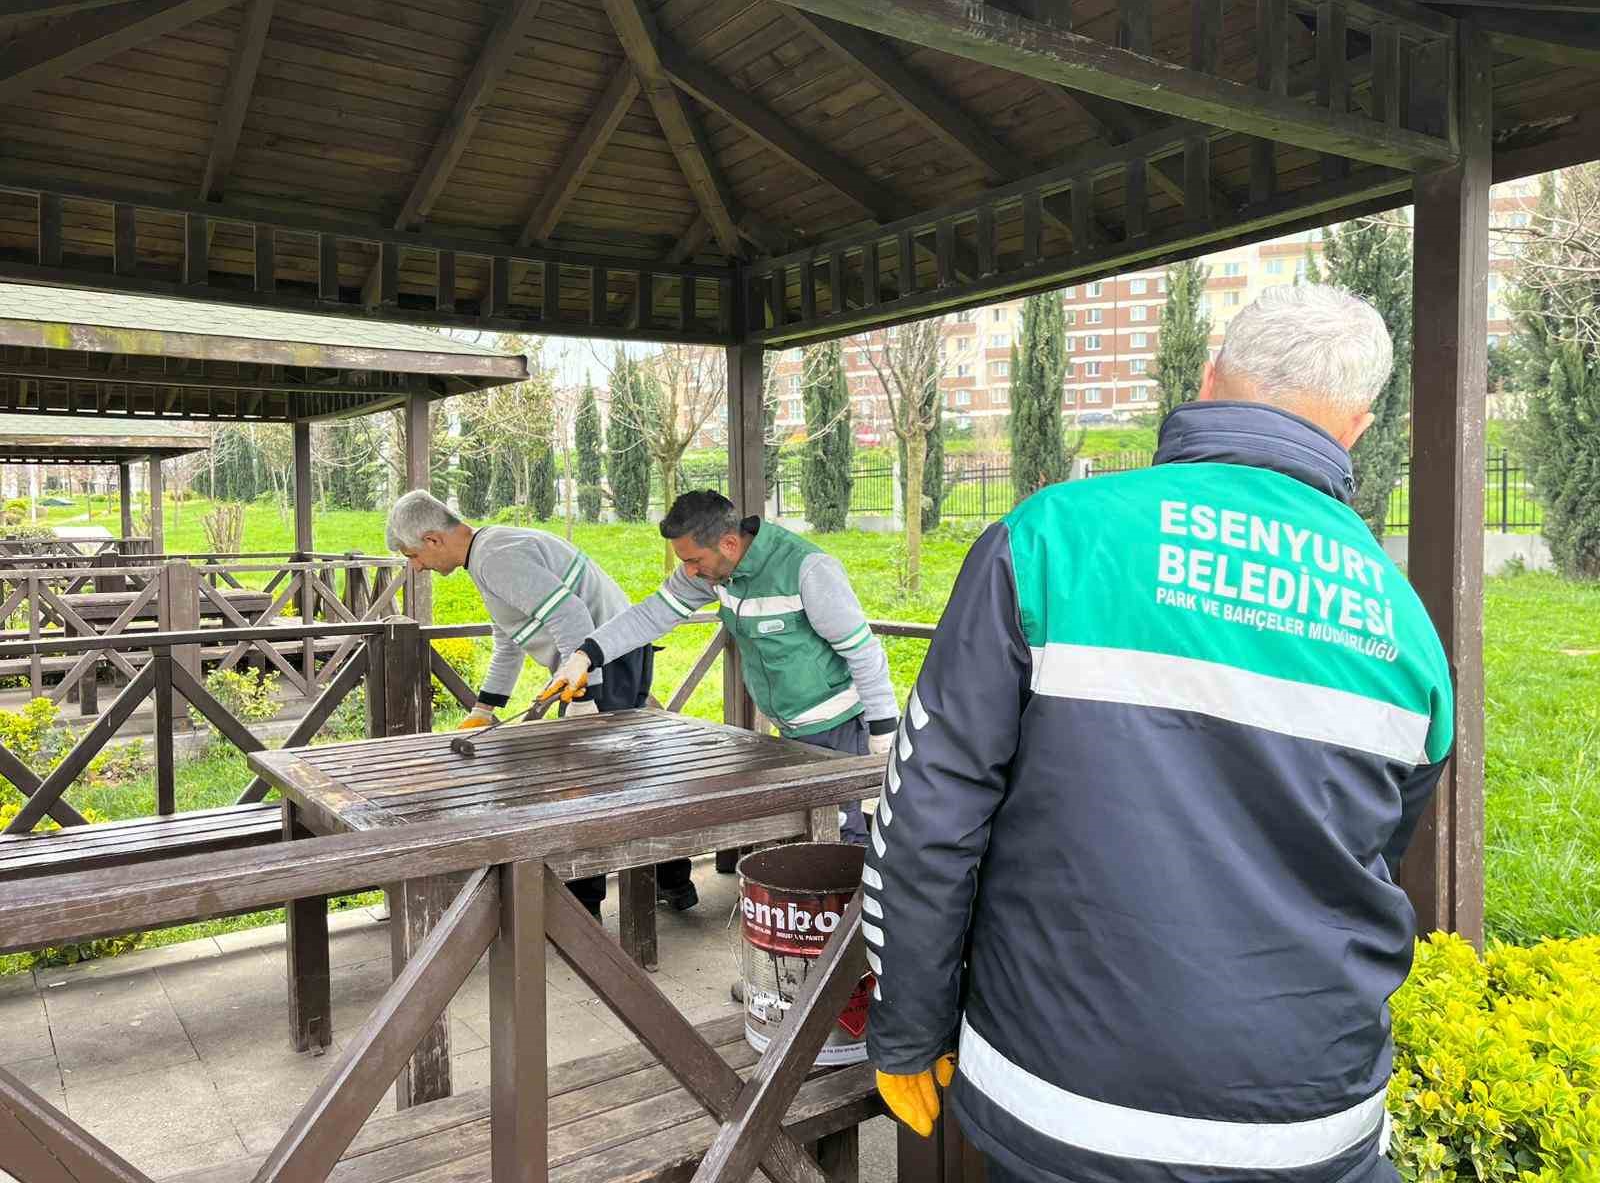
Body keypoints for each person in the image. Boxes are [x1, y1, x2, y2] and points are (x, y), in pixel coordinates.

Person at [865, 285, 1455, 1183]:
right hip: (1315, 1121)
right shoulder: (1404, 624)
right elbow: (1374, 851)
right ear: (1360, 427)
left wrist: (908, 1025)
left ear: (1211, 370)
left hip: (1064, 1106)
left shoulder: (1051, 541)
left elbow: (928, 816)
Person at [384, 490, 697, 917]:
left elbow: (570, 615)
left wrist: (583, 698)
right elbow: (508, 643)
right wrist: (484, 709)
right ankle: (673, 882)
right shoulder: (488, 553)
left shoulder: (495, 558)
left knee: (582, 790)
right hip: (612, 661)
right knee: (628, 776)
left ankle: (581, 908)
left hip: (605, 664)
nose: (416, 567)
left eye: (413, 555)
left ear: (433, 539)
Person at [544, 490, 898, 846]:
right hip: (789, 727)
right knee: (805, 830)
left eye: (694, 560)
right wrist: (585, 656)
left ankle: (857, 901)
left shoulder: (806, 569)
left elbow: (863, 649)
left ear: (729, 543)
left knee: (835, 832)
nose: (689, 571)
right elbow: (651, 615)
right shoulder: (714, 573)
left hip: (835, 722)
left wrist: (883, 731)